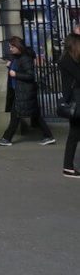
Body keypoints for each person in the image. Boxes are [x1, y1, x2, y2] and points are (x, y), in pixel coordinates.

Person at [0, 35, 55, 147]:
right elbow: (17, 69)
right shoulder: (17, 57)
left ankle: (6, 138)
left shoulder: (25, 58)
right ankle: (48, 136)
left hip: (25, 92)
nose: (10, 49)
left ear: (18, 47)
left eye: (12, 47)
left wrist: (15, 74)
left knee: (17, 115)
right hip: (20, 91)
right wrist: (10, 67)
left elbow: (30, 75)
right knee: (33, 115)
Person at [58, 28, 80, 176]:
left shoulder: (72, 59)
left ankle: (68, 166)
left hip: (76, 101)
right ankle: (67, 167)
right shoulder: (67, 60)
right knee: (74, 135)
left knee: (74, 135)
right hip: (75, 101)